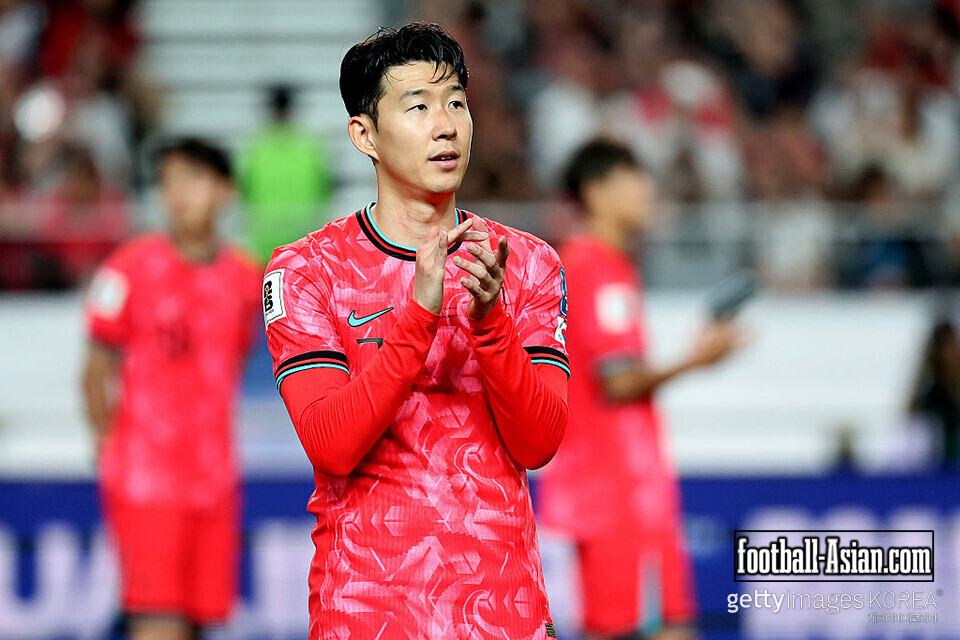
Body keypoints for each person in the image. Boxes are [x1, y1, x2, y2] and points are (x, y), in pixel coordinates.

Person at [262, 23, 569, 640]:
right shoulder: (305, 271)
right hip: (367, 611)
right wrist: (419, 316)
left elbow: (539, 443)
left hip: (503, 612)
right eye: (418, 106)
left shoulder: (528, 262)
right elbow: (331, 443)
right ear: (364, 135)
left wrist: (490, 324)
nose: (446, 124)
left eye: (456, 101)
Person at [536, 140, 746, 640]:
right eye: (635, 180)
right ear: (596, 192)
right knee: (655, 629)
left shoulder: (598, 266)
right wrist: (700, 359)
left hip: (617, 490)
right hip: (619, 491)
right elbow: (621, 380)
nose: (648, 192)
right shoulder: (594, 269)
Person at [81, 139, 261, 640]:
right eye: (169, 182)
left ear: (224, 191)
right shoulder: (128, 269)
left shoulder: (246, 280)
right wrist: (109, 445)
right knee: (158, 623)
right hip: (147, 481)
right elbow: (95, 369)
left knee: (198, 624)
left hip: (214, 478)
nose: (179, 194)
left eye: (193, 180)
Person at [240, 84, 333, 265]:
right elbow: (325, 188)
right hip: (303, 239)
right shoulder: (311, 146)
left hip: (265, 241)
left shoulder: (255, 146)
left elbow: (244, 189)